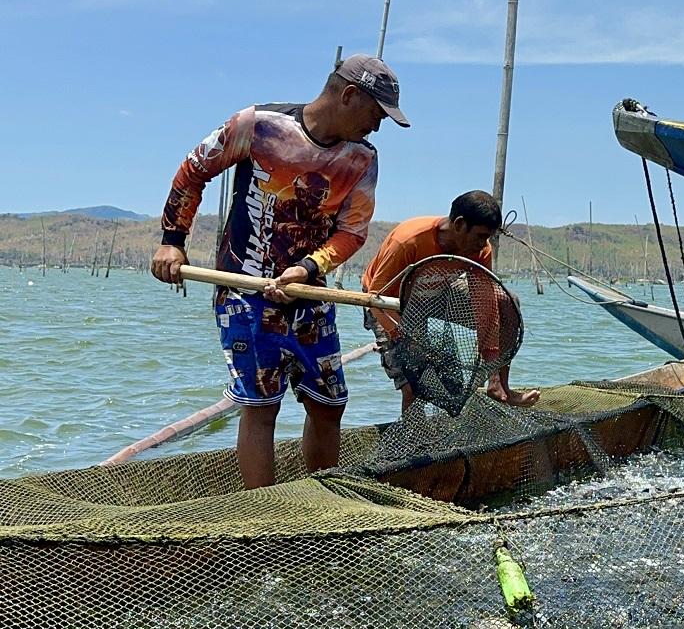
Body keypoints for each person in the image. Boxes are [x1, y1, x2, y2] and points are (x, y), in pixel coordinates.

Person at [150, 54, 410, 489]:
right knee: (261, 405)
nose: (378, 126)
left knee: (329, 404)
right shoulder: (257, 126)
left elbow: (352, 231)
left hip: (310, 293)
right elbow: (192, 172)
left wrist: (309, 269)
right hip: (245, 290)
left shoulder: (362, 159)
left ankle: (325, 498)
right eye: (376, 113)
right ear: (349, 95)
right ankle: (264, 515)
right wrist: (172, 242)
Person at [361, 190, 541, 409]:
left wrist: (491, 360)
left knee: (506, 301)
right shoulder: (408, 240)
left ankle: (500, 387)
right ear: (459, 224)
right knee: (413, 382)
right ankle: (417, 439)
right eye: (481, 235)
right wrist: (405, 338)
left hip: (439, 292)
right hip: (392, 301)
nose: (484, 243)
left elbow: (488, 306)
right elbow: (375, 297)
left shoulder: (481, 250)